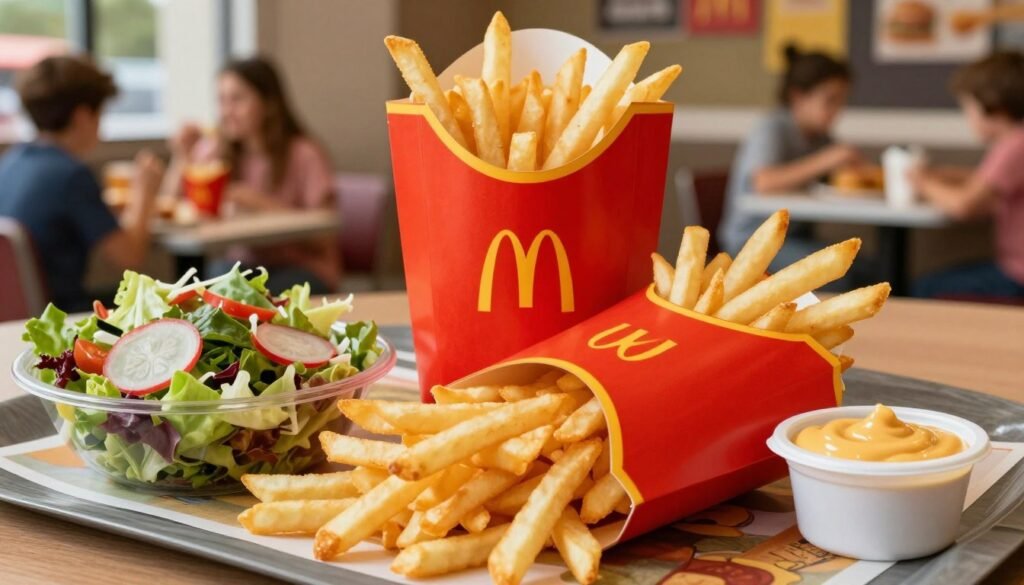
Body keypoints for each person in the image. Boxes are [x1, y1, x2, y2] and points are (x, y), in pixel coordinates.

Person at [0, 56, 163, 311]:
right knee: (157, 298)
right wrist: (144, 191)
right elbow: (130, 257)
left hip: (17, 315)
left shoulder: (11, 162)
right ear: (83, 116)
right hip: (62, 316)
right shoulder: (71, 175)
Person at [165, 56, 338, 293]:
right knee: (212, 282)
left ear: (268, 103)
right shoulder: (216, 150)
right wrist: (181, 156)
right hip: (244, 266)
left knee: (237, 293)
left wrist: (259, 203)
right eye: (222, 100)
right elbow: (171, 205)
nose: (227, 111)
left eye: (237, 99)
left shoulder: (304, 154)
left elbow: (323, 239)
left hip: (301, 268)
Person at [720, 45, 862, 270]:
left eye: (842, 101)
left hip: (796, 237)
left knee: (865, 266)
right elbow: (763, 182)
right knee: (842, 270)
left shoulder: (821, 137)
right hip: (751, 243)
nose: (838, 110)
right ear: (798, 97)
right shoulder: (772, 128)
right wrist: (828, 159)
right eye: (830, 100)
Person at [909, 52, 1024, 300]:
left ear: (993, 106)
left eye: (968, 108)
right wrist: (945, 175)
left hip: (1017, 276)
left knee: (924, 288)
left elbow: (964, 206)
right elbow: (986, 181)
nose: (968, 118)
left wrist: (921, 181)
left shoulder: (1014, 144)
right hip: (1014, 270)